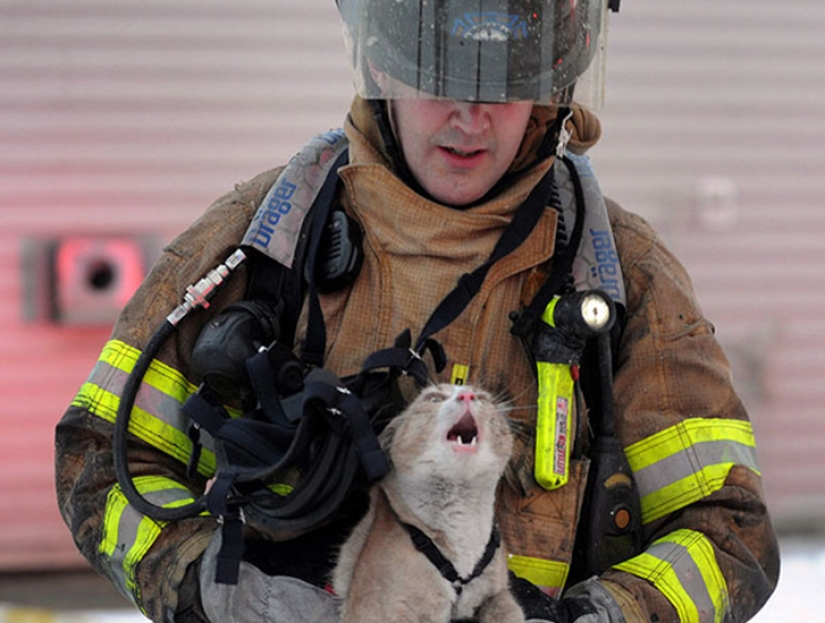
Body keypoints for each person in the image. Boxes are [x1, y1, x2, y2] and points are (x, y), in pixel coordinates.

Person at [55, 1, 780, 622]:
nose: (469, 118)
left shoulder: (621, 274)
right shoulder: (260, 244)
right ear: (381, 65)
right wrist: (213, 589)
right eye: (440, 78)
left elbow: (726, 534)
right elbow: (101, 461)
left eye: (506, 83)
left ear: (550, 88)